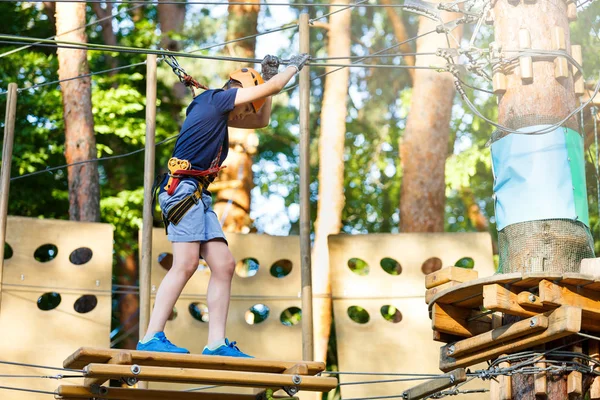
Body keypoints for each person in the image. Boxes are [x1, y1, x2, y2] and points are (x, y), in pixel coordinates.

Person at [137, 53, 310, 357]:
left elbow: (262, 118)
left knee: (224, 264)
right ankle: (151, 335)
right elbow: (266, 96)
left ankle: (216, 343)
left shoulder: (216, 111)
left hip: (197, 195)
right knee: (186, 263)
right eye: (245, 107)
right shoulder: (217, 100)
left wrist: (269, 81)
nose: (245, 116)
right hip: (182, 190)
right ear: (237, 92)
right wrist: (292, 69)